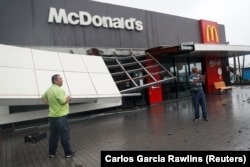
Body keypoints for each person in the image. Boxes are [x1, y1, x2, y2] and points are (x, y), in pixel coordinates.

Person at [42, 74, 76, 158]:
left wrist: (50, 105)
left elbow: (43, 97)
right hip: (60, 116)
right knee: (64, 135)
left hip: (52, 116)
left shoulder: (50, 89)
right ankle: (68, 153)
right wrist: (68, 98)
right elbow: (62, 102)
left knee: (53, 135)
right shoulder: (59, 90)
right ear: (55, 81)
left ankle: (52, 153)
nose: (62, 80)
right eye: (60, 79)